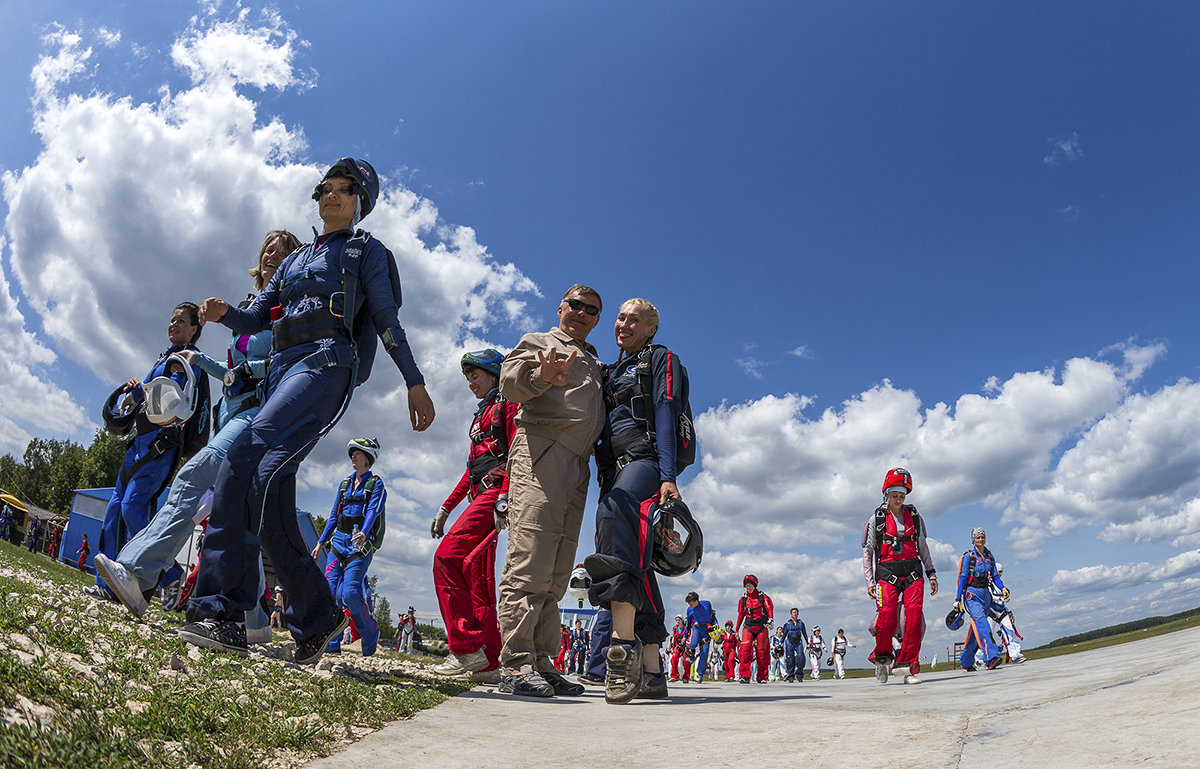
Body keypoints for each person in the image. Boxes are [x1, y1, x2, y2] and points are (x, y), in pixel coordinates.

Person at [181, 157, 434, 665]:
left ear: (361, 202)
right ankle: (317, 619)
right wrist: (223, 312)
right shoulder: (295, 260)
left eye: (345, 190)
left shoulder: (367, 250)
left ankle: (219, 610)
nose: (332, 196)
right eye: (325, 189)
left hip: (325, 368)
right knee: (266, 489)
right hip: (281, 371)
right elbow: (258, 315)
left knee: (245, 454)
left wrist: (414, 381)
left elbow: (385, 317)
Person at [95, 230, 300, 638]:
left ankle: (139, 572)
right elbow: (231, 375)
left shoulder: (288, 310)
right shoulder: (250, 310)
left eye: (285, 252)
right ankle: (256, 621)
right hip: (232, 415)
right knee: (236, 515)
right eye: (269, 250)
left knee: (191, 479)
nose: (274, 256)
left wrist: (247, 372)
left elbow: (280, 368)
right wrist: (199, 359)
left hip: (259, 416)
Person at [496, 285, 605, 698]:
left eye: (591, 309)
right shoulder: (540, 342)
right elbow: (510, 383)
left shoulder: (594, 360)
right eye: (574, 305)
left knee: (558, 567)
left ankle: (541, 659)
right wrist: (541, 375)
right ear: (561, 308)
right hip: (542, 450)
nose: (581, 312)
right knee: (530, 556)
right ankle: (517, 664)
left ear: (597, 319)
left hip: (578, 465)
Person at [585, 296, 690, 704]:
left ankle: (621, 647)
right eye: (620, 317)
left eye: (635, 319)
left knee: (613, 514)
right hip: (612, 470)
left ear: (651, 329)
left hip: (646, 461)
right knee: (634, 558)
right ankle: (652, 668)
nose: (624, 324)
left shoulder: (661, 359)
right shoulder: (610, 370)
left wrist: (667, 476)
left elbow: (666, 411)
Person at [89, 302, 209, 601]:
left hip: (160, 447)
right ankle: (107, 585)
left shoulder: (189, 363)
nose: (173, 325)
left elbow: (172, 402)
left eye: (181, 321)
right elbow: (147, 397)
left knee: (132, 508)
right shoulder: (163, 359)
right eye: (171, 320)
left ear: (195, 329)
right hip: (138, 444)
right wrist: (135, 390)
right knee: (115, 510)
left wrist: (144, 391)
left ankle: (168, 574)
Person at [430, 349, 516, 680]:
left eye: (475, 375)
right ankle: (490, 662)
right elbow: (471, 470)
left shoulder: (507, 406)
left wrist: (505, 498)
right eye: (467, 377)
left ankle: (465, 649)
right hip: (480, 496)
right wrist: (445, 508)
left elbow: (513, 454)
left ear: (494, 374)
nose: (470, 382)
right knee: (477, 578)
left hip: (494, 495)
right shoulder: (480, 418)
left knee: (446, 558)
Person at [862, 468, 937, 685]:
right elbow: (867, 552)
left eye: (902, 496)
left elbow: (922, 545)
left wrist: (931, 573)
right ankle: (883, 658)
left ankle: (907, 667)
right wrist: (870, 581)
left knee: (913, 618)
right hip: (886, 573)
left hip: (913, 571)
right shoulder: (876, 519)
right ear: (886, 494)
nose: (898, 499)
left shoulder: (914, 516)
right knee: (886, 618)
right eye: (894, 495)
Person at [312, 438, 386, 656]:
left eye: (359, 453)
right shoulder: (344, 484)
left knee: (351, 593)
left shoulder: (376, 484)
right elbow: (334, 514)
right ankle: (332, 643)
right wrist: (320, 542)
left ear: (368, 459)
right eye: (352, 452)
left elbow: (373, 510)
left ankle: (370, 632)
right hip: (338, 543)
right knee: (330, 592)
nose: (354, 456)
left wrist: (364, 531)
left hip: (359, 546)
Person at [954, 527, 1006, 671]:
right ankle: (991, 657)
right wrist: (958, 598)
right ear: (973, 540)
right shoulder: (968, 557)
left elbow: (995, 576)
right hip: (972, 595)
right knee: (983, 624)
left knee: (977, 629)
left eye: (982, 537)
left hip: (986, 594)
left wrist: (1003, 588)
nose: (980, 540)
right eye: (978, 538)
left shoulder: (990, 556)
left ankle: (965, 660)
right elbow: (963, 577)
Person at [735, 574, 774, 683]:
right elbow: (740, 615)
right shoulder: (743, 599)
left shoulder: (763, 597)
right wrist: (737, 630)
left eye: (750, 584)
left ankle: (762, 677)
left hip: (762, 626)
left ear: (755, 585)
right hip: (748, 626)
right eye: (746, 585)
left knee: (762, 652)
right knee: (745, 650)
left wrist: (770, 620)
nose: (748, 587)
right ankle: (745, 676)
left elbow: (769, 609)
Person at [988, 564, 1025, 663]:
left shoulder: (1000, 584)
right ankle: (980, 659)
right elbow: (989, 597)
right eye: (999, 572)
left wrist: (1008, 610)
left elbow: (1002, 600)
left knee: (1010, 631)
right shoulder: (988, 583)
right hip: (991, 612)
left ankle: (1016, 655)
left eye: (1001, 572)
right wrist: (1001, 598)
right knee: (987, 635)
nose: (1000, 574)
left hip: (1002, 611)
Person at [684, 591, 715, 683]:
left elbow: (712, 616)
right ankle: (688, 649)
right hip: (696, 628)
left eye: (691, 603)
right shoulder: (689, 610)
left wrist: (716, 624)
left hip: (706, 630)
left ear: (696, 600)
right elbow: (688, 623)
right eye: (688, 603)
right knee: (693, 644)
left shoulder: (707, 604)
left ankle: (700, 675)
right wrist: (685, 636)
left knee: (704, 652)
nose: (690, 605)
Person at [781, 607, 809, 683]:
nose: (795, 614)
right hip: (789, 643)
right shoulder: (787, 624)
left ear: (798, 613)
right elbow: (784, 635)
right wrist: (780, 643)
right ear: (791, 614)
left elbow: (805, 633)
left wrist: (808, 642)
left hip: (798, 643)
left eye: (796, 612)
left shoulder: (801, 624)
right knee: (790, 660)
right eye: (793, 612)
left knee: (801, 657)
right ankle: (790, 676)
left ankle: (799, 675)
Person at [668, 615, 689, 682]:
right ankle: (674, 676)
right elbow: (674, 638)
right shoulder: (675, 628)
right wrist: (673, 648)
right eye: (676, 620)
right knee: (673, 659)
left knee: (686, 661)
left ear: (682, 620)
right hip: (678, 645)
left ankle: (686, 677)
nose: (677, 622)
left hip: (686, 646)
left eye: (679, 620)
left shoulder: (687, 628)